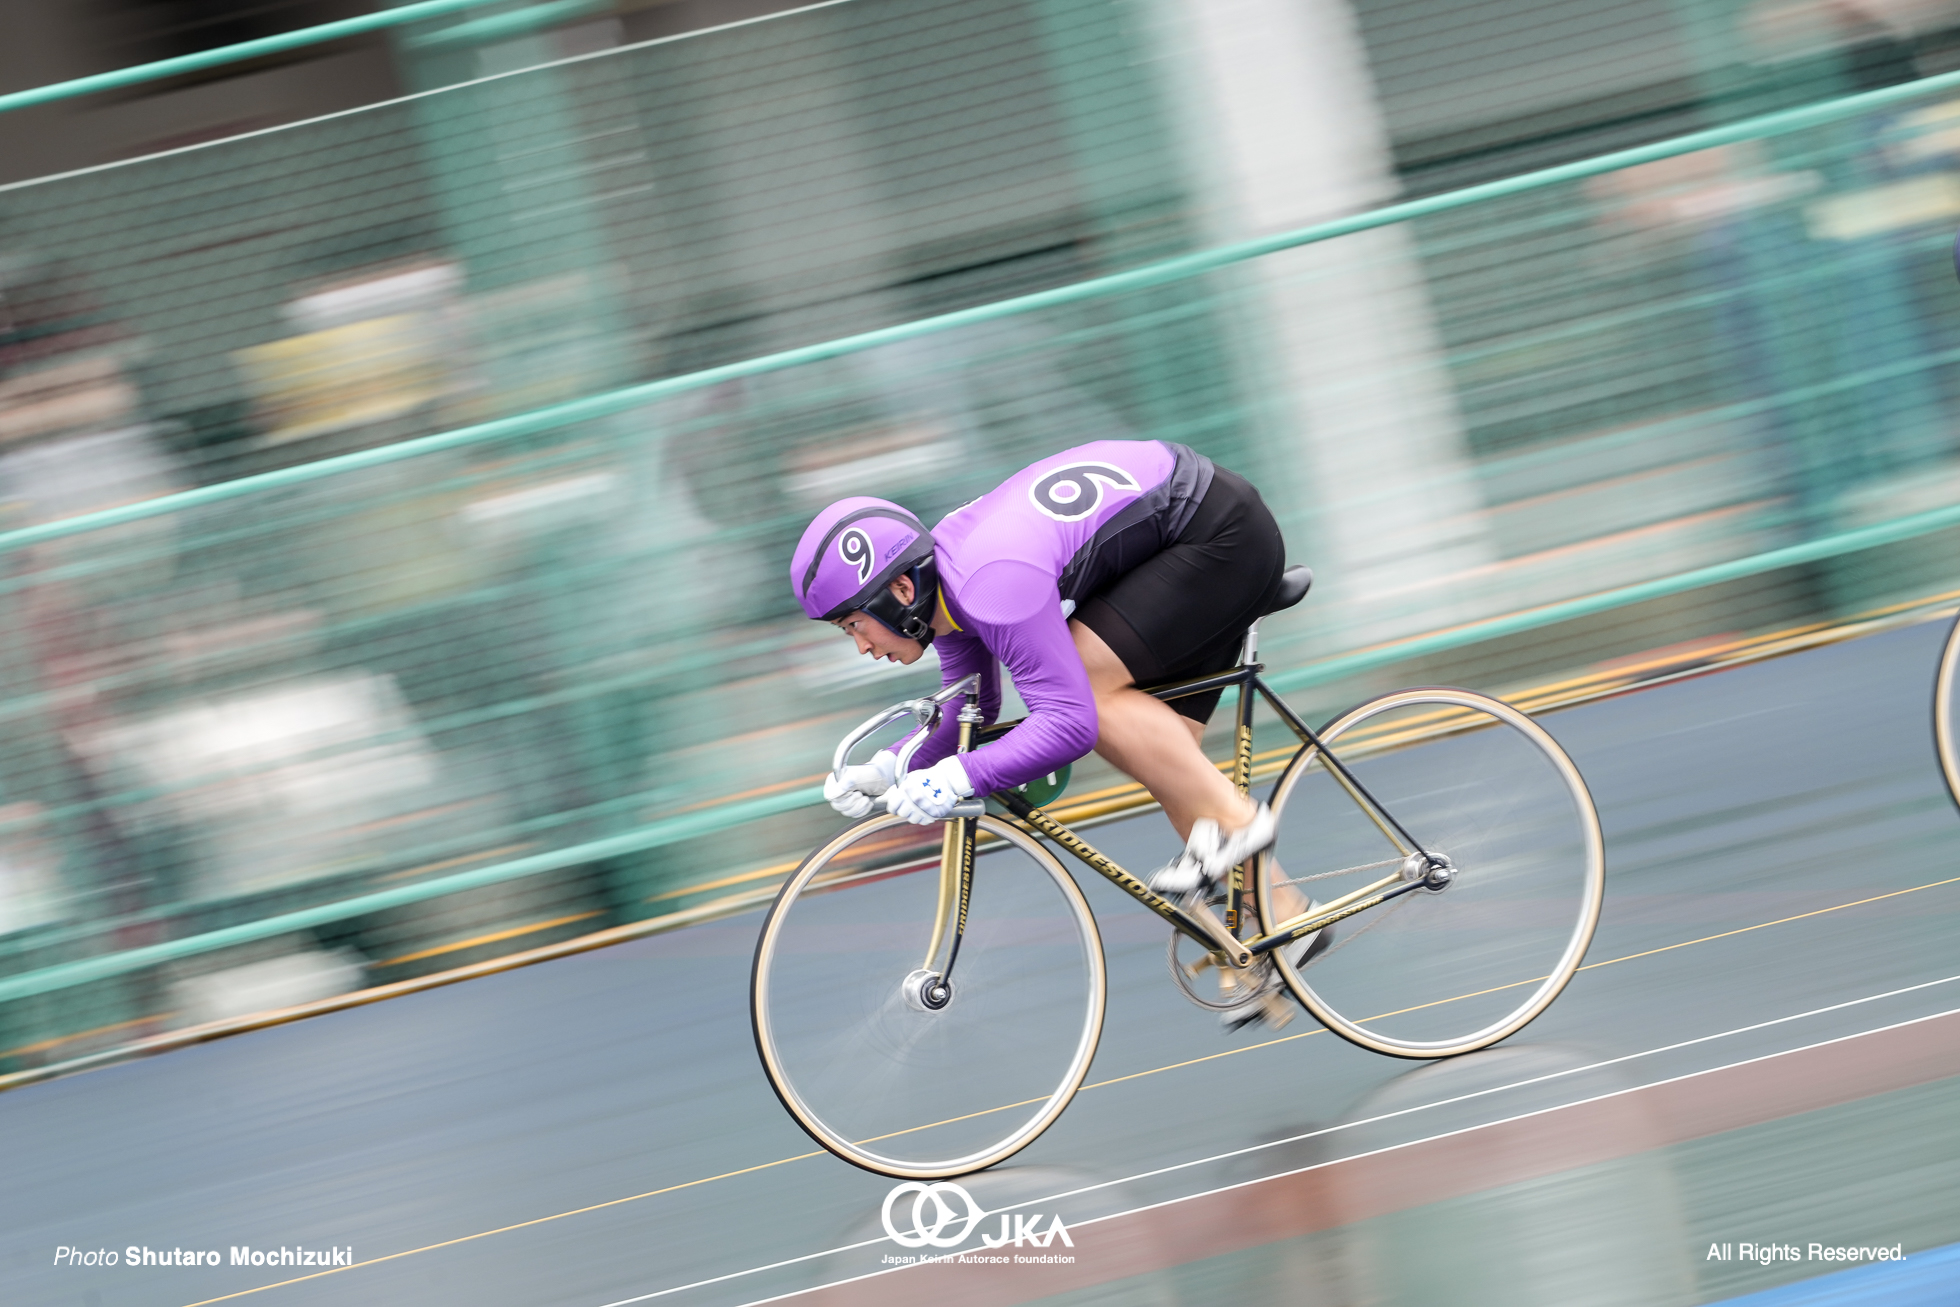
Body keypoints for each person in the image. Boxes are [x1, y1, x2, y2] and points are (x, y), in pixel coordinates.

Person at [790, 439, 1320, 1029]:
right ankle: (1289, 917)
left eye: (854, 626)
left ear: (901, 593)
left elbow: (1069, 723)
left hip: (1218, 533)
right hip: (1181, 535)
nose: (862, 647)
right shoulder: (946, 591)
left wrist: (962, 775)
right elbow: (975, 706)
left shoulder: (990, 584)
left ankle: (1243, 825)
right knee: (1169, 768)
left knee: (1089, 692)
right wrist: (890, 766)